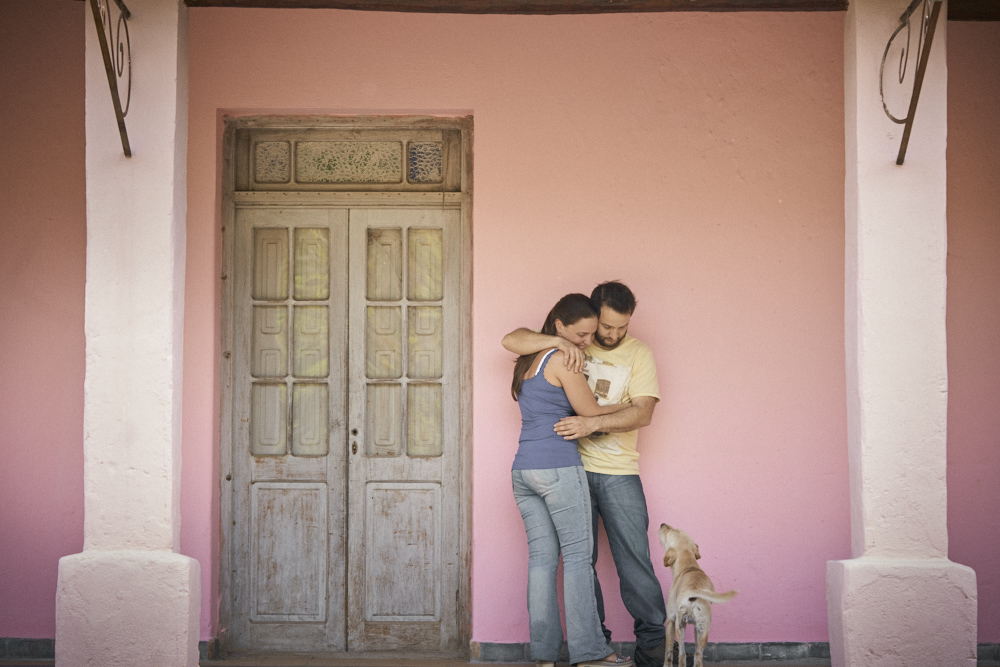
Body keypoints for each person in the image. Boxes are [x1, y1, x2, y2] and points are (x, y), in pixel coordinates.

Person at [502, 282, 667, 667]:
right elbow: (511, 338)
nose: (608, 335)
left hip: (613, 470)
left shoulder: (638, 353)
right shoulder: (569, 343)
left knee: (631, 561)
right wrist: (561, 342)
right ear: (587, 318)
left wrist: (590, 424)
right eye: (603, 327)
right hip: (567, 468)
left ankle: (651, 649)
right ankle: (593, 648)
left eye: (619, 328)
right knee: (581, 562)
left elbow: (642, 412)